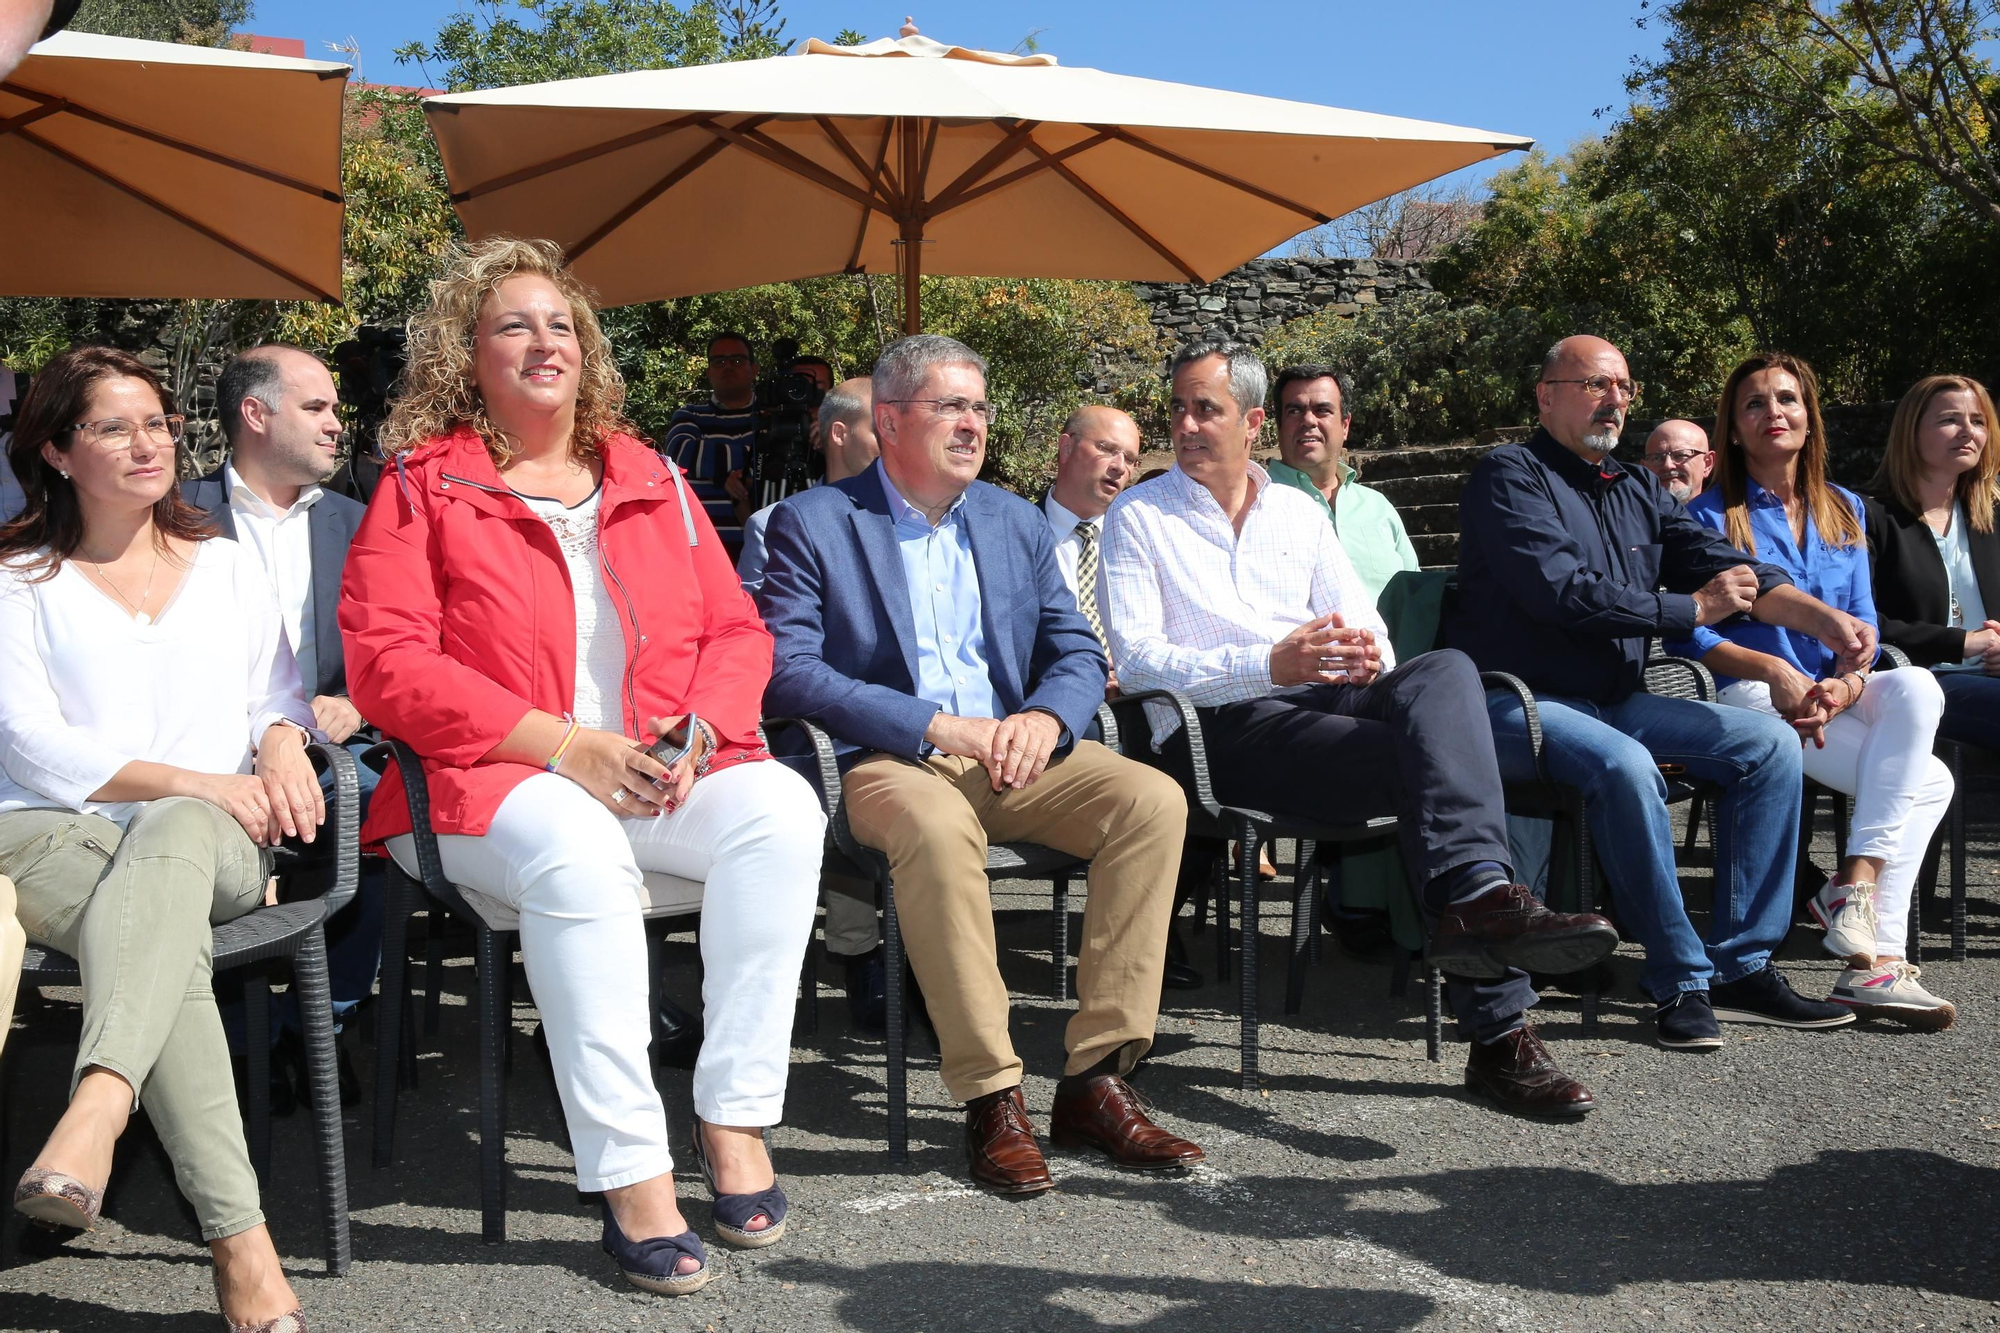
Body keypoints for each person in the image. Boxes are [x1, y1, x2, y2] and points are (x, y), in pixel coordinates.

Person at [340, 239, 825, 1296]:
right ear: (468, 355)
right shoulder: (422, 485)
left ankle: (732, 1115)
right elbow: (387, 666)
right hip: (494, 781)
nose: (543, 340)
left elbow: (740, 634)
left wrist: (696, 733)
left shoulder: (650, 472)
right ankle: (632, 1172)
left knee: (782, 808)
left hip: (651, 772)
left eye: (560, 323)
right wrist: (563, 744)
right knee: (575, 855)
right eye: (513, 323)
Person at [1101, 338, 1619, 1120]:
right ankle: (1501, 1028)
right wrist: (1271, 663)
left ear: (1248, 424)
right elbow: (1139, 662)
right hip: (1222, 730)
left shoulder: (1298, 513)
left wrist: (1356, 656)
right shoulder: (1138, 515)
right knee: (1430, 764)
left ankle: (1479, 897)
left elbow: (1369, 626)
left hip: (1324, 698)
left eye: (1203, 408)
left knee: (1444, 672)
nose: (1183, 424)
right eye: (1176, 407)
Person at [760, 333, 1204, 1195]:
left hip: (1014, 754)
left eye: (980, 407)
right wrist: (935, 724)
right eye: (950, 406)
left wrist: (1045, 715)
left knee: (1152, 801)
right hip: (886, 760)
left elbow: (1076, 650)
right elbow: (789, 669)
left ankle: (1097, 1079)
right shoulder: (813, 523)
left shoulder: (1011, 520)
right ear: (888, 421)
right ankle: (993, 1094)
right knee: (934, 823)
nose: (973, 424)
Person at [0, 346, 322, 1332]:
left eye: (160, 422)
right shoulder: (18, 577)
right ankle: (242, 1246)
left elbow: (277, 690)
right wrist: (199, 776)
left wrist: (279, 741)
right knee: (162, 940)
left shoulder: (225, 565)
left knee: (179, 835)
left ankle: (97, 1103)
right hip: (51, 836)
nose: (149, 443)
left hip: (212, 838)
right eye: (114, 426)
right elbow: (29, 741)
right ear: (56, 450)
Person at [1450, 335, 1875, 1051]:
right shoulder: (1508, 476)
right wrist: (1693, 610)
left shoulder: (1636, 486)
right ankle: (1679, 978)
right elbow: (1564, 594)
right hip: (1516, 701)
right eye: (1594, 384)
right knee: (1623, 765)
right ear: (1546, 393)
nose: (1614, 399)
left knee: (1768, 743)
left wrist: (1825, 619)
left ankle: (1742, 964)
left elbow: (1729, 566)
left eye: (1624, 387)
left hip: (1614, 698)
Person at [1667, 352, 1954, 1028]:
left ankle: (1852, 886)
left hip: (1831, 696)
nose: (1774, 413)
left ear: (1808, 416)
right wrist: (1778, 673)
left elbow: (1868, 630)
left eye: (1788, 400)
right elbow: (1691, 637)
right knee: (1932, 783)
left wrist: (1847, 686)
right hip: (1750, 696)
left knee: (1914, 686)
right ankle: (1878, 962)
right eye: (1755, 404)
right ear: (1733, 430)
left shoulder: (1847, 509)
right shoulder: (1708, 516)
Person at [188, 345, 378, 1107]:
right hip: (205, 748)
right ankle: (238, 1040)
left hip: (334, 742)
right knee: (203, 827)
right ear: (255, 414)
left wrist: (357, 702)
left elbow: (403, 647)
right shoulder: (172, 516)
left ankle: (322, 1021)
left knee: (369, 809)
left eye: (334, 408)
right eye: (317, 408)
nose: (337, 424)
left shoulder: (362, 524)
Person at [738, 376, 890, 1029]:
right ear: (837, 432)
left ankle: (919, 953)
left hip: (911, 719)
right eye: (881, 425)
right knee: (854, 758)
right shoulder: (776, 525)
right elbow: (762, 650)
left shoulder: (914, 521)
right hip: (816, 719)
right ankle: (860, 950)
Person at [1867, 374, 2000, 751]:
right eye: (1949, 420)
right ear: (1911, 432)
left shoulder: (1992, 514)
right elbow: (1863, 621)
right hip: (1920, 682)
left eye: (1978, 421)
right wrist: (1961, 643)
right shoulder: (1871, 516)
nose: (1967, 431)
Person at [1266, 363, 1418, 602]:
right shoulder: (1253, 505)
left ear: (1345, 425)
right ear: (1279, 426)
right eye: (1294, 411)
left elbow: (1414, 596)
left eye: (1322, 410)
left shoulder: (1377, 507)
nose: (1308, 420)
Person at [738, 377, 879, 593]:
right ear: (839, 434)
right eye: (879, 431)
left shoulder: (915, 516)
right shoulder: (771, 525)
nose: (892, 442)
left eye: (897, 429)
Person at [1638, 419, 1715, 503]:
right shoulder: (1630, 515)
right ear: (1644, 468)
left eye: (1680, 455)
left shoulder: (1725, 514)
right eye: (1657, 458)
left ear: (1708, 464)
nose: (1668, 465)